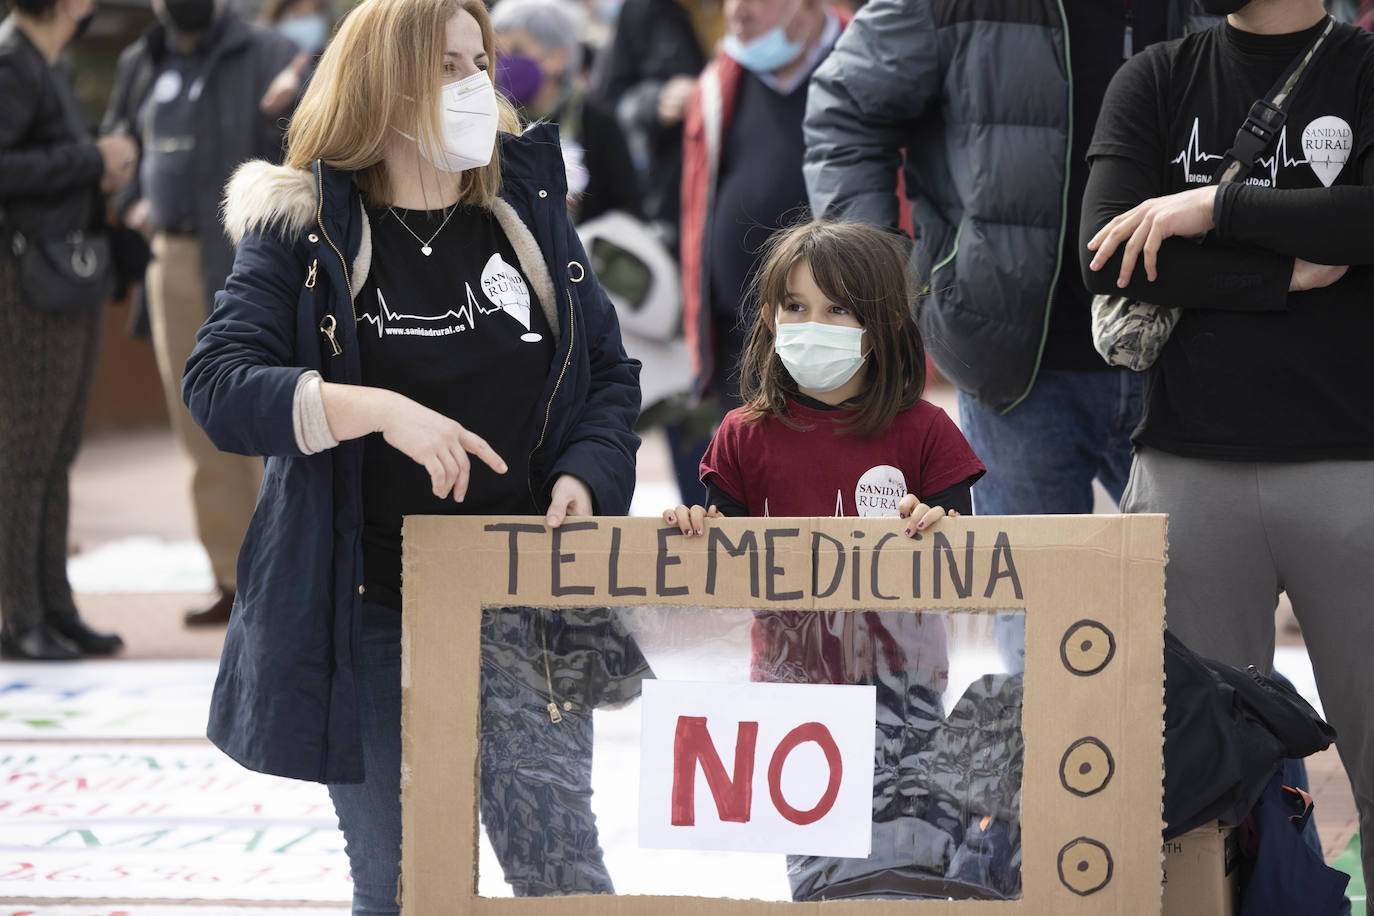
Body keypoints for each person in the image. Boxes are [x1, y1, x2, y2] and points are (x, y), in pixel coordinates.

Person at [181, 0, 642, 908]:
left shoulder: (527, 212)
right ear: (383, 88)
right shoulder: (301, 226)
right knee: (401, 886)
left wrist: (587, 475)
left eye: (479, 62)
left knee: (563, 877)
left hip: (526, 602)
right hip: (371, 611)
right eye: (444, 68)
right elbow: (219, 385)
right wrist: (378, 409)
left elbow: (607, 379)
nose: (473, 85)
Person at [1080, 0, 1374, 903]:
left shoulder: (1362, 70)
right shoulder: (1157, 77)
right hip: (1188, 464)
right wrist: (1284, 269)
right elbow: (1106, 256)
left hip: (1353, 463)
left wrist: (1213, 206)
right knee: (1199, 780)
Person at [666, 220, 986, 901]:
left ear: (882, 322)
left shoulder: (927, 432)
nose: (814, 322)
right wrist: (697, 530)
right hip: (793, 700)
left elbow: (968, 558)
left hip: (905, 694)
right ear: (769, 317)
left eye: (838, 307)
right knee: (820, 885)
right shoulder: (741, 437)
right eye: (796, 305)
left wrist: (945, 525)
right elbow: (721, 564)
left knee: (912, 878)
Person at [802, 0, 1210, 521]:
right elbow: (845, 104)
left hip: (1189, 358)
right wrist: (877, 278)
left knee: (1190, 598)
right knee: (1035, 602)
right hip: (1014, 371)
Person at [101, 0, 302, 627]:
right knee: (197, 424)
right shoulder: (142, 59)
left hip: (250, 257)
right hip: (173, 258)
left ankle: (280, 575)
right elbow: (116, 142)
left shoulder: (266, 51)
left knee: (260, 418)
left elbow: (309, 138)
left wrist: (296, 97)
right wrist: (134, 200)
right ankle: (229, 576)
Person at [0, 0, 134, 659]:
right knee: (24, 452)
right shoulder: (12, 61)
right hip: (23, 284)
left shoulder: (41, 62)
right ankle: (16, 614)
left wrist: (92, 165)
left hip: (63, 277)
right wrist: (91, 159)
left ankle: (52, 604)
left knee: (54, 453)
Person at [680, 0, 847, 406]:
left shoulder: (865, 60)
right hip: (740, 341)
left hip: (838, 339)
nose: (737, 12)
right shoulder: (720, 79)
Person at [490, 0, 641, 223]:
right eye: (498, 52)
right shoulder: (494, 124)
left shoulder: (598, 126)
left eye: (517, 51)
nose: (504, 63)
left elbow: (628, 211)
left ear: (558, 57)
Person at [590, 0, 721, 252]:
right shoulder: (643, 9)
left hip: (746, 194)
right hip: (673, 201)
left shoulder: (757, 11)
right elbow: (607, 104)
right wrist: (655, 102)